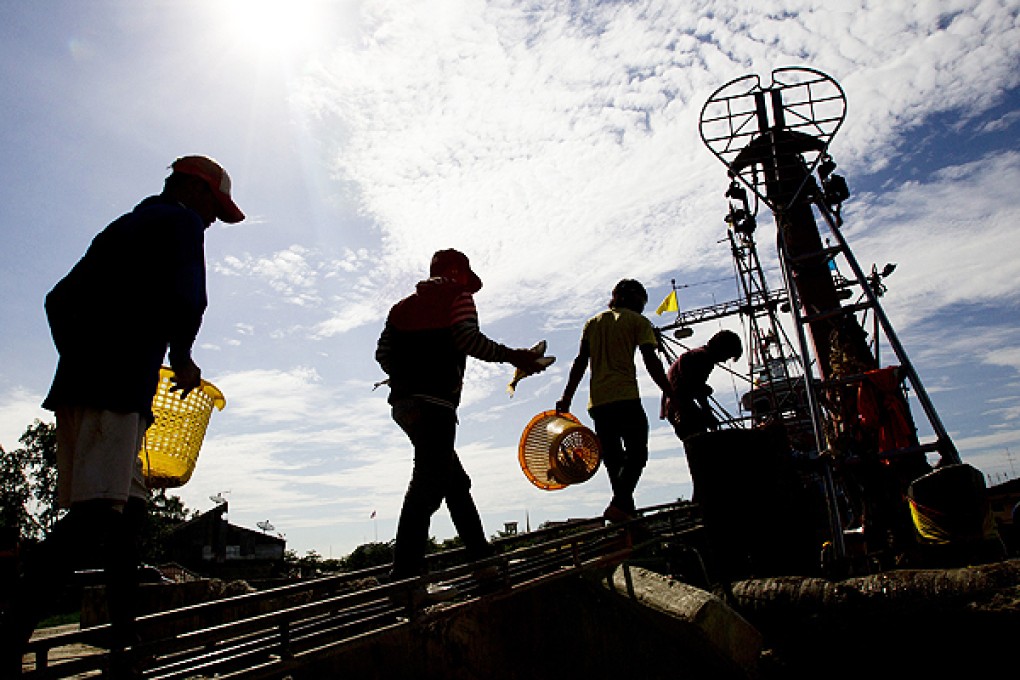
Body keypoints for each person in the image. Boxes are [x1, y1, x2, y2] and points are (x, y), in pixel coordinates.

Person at [1, 155, 244, 675]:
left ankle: (125, 645)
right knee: (93, 518)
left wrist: (81, 357)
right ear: (193, 191)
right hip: (111, 387)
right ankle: (7, 634)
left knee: (128, 517)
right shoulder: (178, 220)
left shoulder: (127, 227)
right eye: (213, 210)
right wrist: (178, 357)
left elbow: (56, 299)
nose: (210, 223)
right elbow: (189, 298)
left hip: (102, 385)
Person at [375, 249, 548, 586]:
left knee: (455, 483)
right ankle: (405, 577)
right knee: (427, 485)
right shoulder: (459, 296)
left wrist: (409, 377)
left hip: (405, 407)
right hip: (436, 406)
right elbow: (468, 339)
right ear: (458, 273)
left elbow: (381, 354)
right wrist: (515, 356)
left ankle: (481, 558)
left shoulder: (401, 308)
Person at [556, 279, 674, 523]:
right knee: (637, 454)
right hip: (626, 398)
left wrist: (566, 396)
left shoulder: (593, 323)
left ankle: (625, 513)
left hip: (598, 404)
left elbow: (580, 362)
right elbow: (651, 361)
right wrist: (669, 390)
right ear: (635, 300)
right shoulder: (638, 322)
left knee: (614, 460)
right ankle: (619, 504)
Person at [661, 330, 743, 441]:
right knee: (701, 443)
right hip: (680, 407)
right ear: (722, 348)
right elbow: (697, 389)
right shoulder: (703, 358)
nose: (724, 361)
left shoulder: (696, 355)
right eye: (727, 356)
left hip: (674, 407)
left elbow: (693, 385)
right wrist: (708, 414)